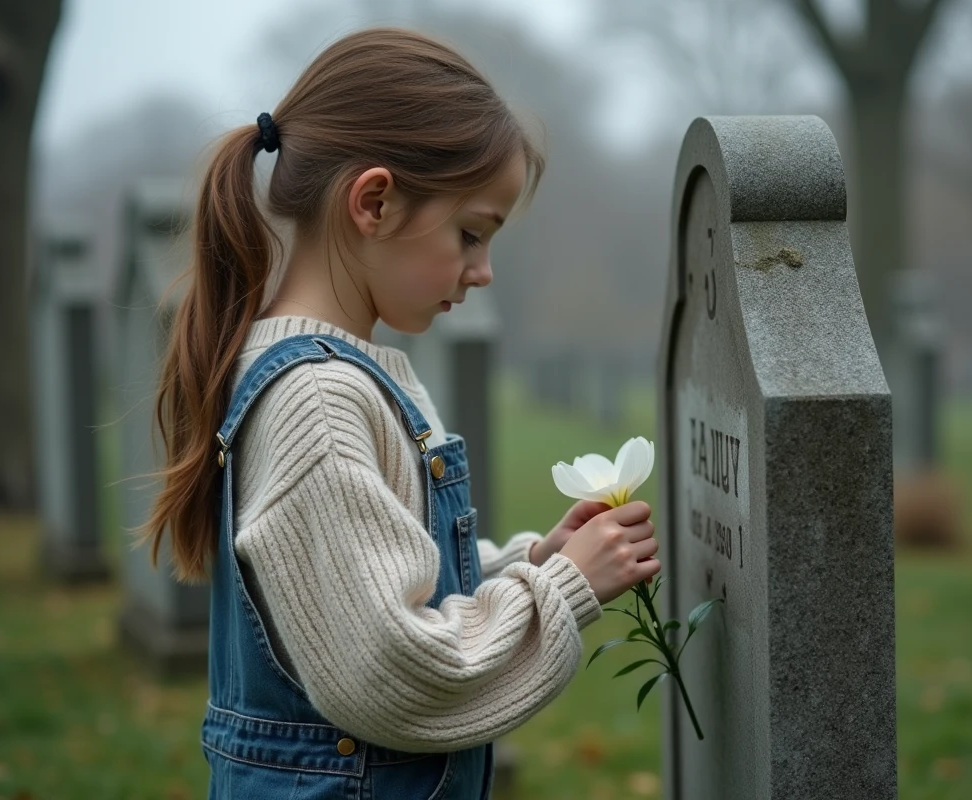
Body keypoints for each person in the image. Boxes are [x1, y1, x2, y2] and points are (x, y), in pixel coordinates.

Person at [140, 27, 660, 799]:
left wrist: (537, 563)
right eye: (471, 233)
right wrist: (564, 593)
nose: (482, 271)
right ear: (374, 202)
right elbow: (394, 671)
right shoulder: (317, 400)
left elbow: (378, 582)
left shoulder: (342, 376)